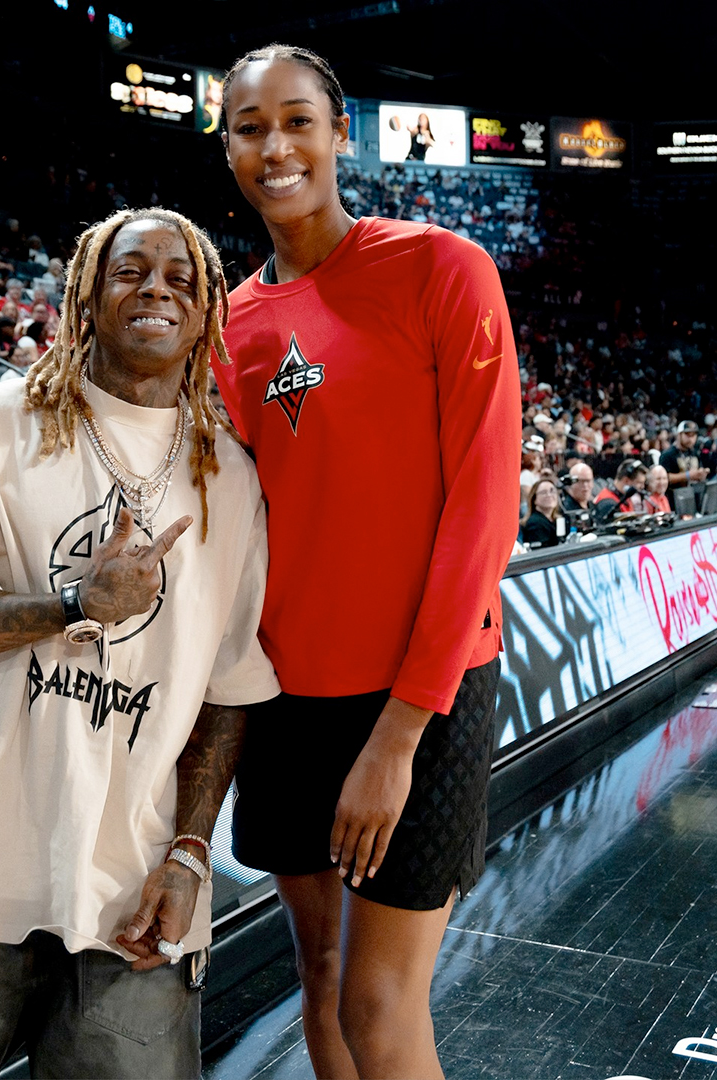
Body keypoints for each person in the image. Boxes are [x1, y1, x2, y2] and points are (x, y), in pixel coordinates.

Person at [0, 207, 279, 1079]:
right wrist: (72, 603)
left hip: (137, 888)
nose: (157, 291)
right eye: (131, 271)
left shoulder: (234, 477)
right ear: (86, 297)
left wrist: (191, 854)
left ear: (209, 314)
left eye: (183, 280)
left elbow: (227, 687)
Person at [214, 45, 521, 1080]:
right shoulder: (231, 327)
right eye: (250, 127)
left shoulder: (441, 266)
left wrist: (399, 732)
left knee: (381, 1008)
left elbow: (483, 506)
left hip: (420, 698)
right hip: (288, 699)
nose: (276, 147)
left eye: (298, 120)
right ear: (227, 148)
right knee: (323, 981)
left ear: (341, 133)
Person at [658, 420, 709, 507]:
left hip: (694, 496)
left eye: (693, 435)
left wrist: (702, 473)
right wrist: (688, 475)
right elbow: (665, 478)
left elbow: (698, 469)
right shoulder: (668, 454)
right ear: (679, 435)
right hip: (675, 498)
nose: (691, 439)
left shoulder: (695, 452)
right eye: (687, 435)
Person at [592, 459, 648, 523]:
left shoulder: (624, 497)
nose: (642, 486)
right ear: (626, 480)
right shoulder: (608, 503)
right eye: (639, 483)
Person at [521, 478, 562, 548]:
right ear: (534, 499)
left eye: (552, 491)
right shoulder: (535, 523)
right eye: (544, 492)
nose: (549, 495)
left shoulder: (558, 519)